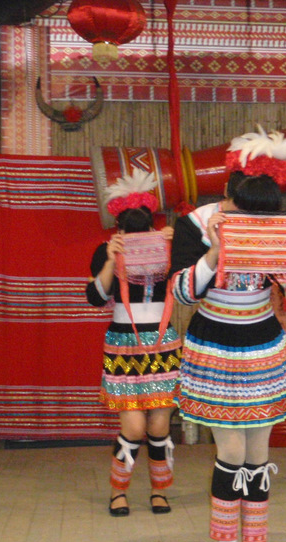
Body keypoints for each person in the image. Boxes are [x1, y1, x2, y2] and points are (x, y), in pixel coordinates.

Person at [170, 127, 286, 542]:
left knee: (259, 450)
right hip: (213, 346)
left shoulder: (275, 222)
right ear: (228, 194)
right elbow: (181, 292)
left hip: (262, 347)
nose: (251, 221)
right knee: (230, 451)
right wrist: (215, 252)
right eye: (242, 210)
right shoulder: (197, 223)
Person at [86, 169, 181, 517]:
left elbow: (187, 289)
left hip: (162, 343)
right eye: (129, 228)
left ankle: (160, 491)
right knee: (135, 427)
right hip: (124, 346)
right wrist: (111, 260)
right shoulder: (106, 250)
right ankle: (118, 492)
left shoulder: (166, 246)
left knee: (159, 426)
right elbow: (95, 298)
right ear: (119, 227)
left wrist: (177, 245)